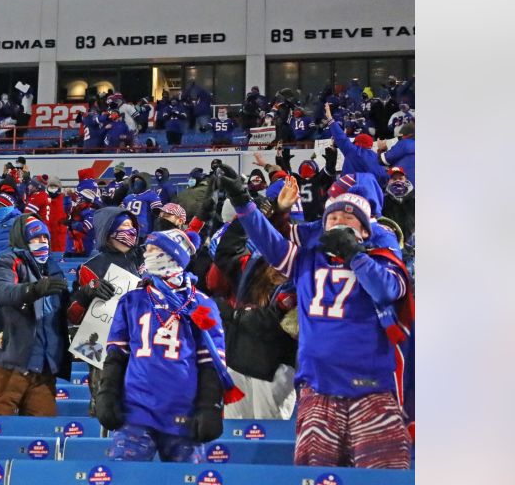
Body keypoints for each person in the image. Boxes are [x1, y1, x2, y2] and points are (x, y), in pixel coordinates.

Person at [218, 166, 413, 469]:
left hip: (371, 389)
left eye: (348, 218)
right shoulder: (306, 259)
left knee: (381, 472)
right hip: (318, 387)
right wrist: (242, 201)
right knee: (315, 470)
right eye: (332, 218)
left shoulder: (381, 258)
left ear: (365, 229)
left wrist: (355, 255)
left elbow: (387, 290)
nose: (337, 223)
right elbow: (269, 240)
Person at [96, 230, 236, 463]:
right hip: (136, 410)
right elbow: (116, 354)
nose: (147, 254)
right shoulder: (132, 300)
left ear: (173, 255)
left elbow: (209, 360)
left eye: (154, 250)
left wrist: (209, 405)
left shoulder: (201, 305)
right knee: (125, 477)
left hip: (184, 412)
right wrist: (108, 392)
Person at [0, 215, 70, 416]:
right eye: (35, 237)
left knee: (42, 439)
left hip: (43, 369)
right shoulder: (6, 261)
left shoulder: (54, 270)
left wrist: (83, 297)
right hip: (4, 363)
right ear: (22, 238)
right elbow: (0, 292)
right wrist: (32, 290)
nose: (42, 242)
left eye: (45, 237)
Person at [381, 166, 415, 243]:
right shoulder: (383, 200)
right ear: (388, 181)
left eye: (400, 179)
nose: (397, 181)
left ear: (405, 180)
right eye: (394, 179)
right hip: (391, 242)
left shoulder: (415, 198)